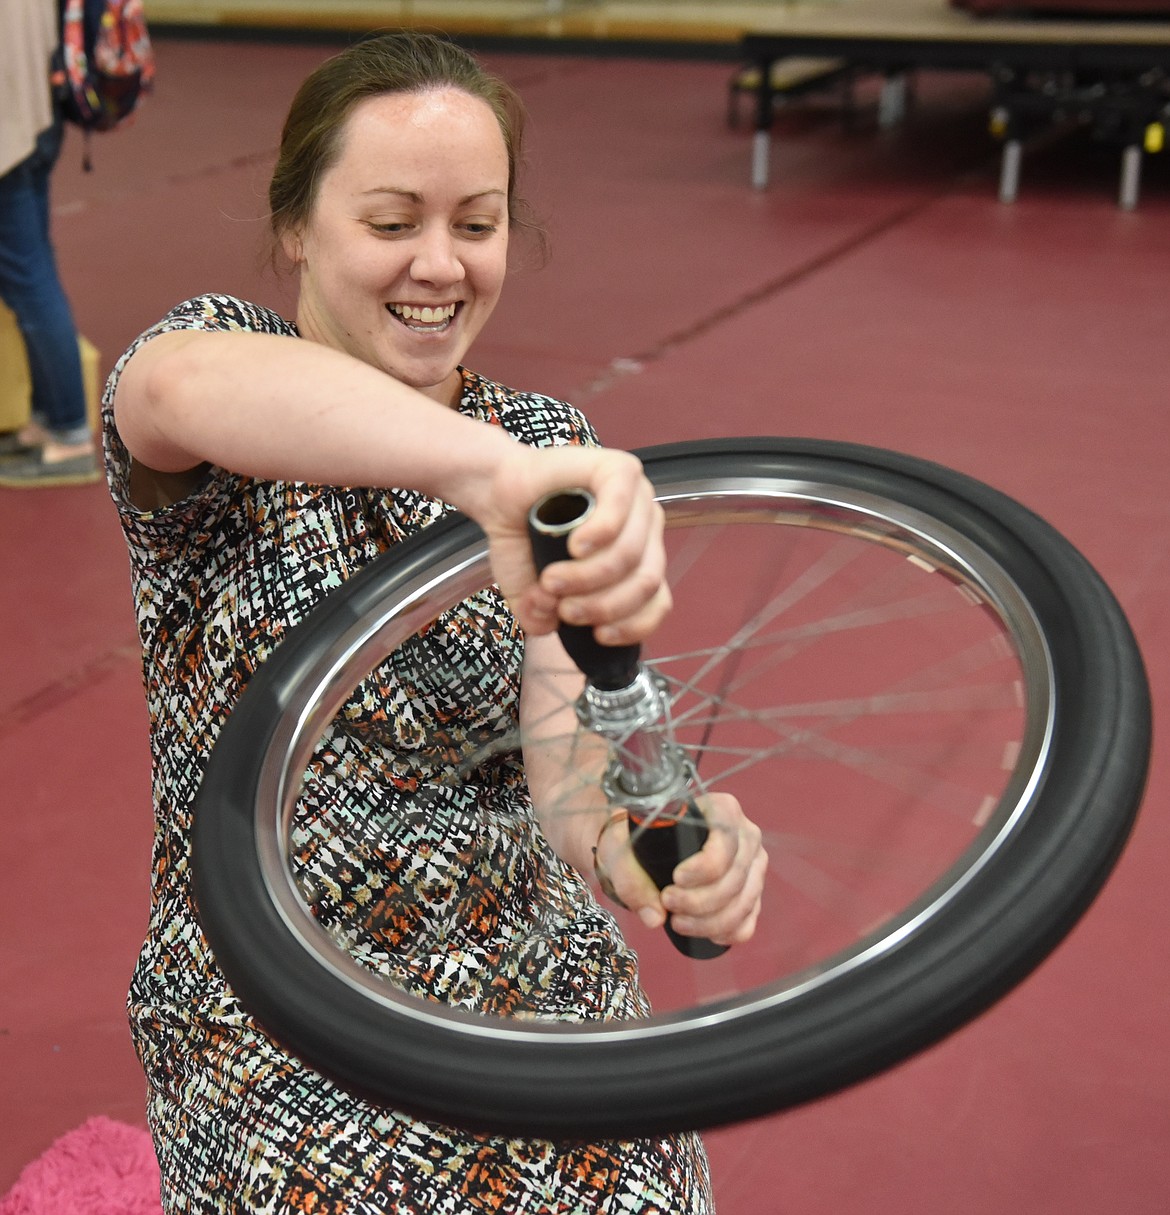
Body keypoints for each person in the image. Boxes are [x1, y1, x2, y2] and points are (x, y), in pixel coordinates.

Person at [105, 31, 767, 1214]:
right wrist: (493, 476)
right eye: (392, 220)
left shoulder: (547, 439)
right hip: (271, 1002)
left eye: (477, 223)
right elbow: (169, 391)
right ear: (299, 226)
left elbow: (564, 773)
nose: (440, 265)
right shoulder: (221, 382)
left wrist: (644, 854)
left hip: (526, 976)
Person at [0, 0, 100, 488]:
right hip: (38, 120)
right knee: (33, 276)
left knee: (30, 287)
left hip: (7, 139)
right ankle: (48, 418)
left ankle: (69, 432)